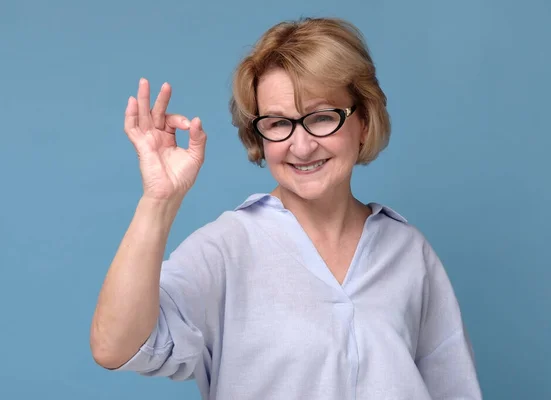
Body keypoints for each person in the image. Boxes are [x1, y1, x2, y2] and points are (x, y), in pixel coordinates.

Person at [90, 17, 482, 400]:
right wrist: (158, 200)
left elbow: (453, 388)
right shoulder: (226, 248)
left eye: (323, 117)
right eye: (278, 124)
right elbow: (116, 347)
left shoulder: (408, 251)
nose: (302, 145)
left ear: (363, 122)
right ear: (258, 135)